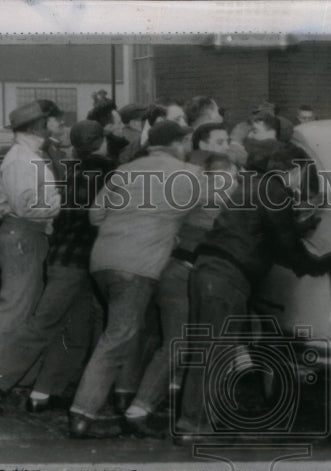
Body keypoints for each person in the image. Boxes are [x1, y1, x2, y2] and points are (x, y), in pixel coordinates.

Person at [174, 144, 331, 440]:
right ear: (293, 170)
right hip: (225, 275)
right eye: (304, 174)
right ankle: (194, 426)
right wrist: (321, 262)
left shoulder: (254, 187)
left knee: (210, 348)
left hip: (210, 271)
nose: (303, 181)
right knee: (215, 350)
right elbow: (284, 244)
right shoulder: (274, 190)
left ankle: (199, 421)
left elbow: (265, 236)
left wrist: (300, 230)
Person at [68, 120, 207, 438]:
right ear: (178, 143)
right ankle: (81, 414)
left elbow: (95, 215)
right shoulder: (189, 175)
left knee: (125, 331)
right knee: (119, 336)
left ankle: (127, 399)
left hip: (103, 261)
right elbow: (209, 215)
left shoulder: (125, 170)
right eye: (184, 143)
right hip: (139, 266)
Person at [124, 152, 239, 437]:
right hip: (184, 275)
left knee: (177, 342)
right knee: (179, 343)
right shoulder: (218, 201)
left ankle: (142, 403)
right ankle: (140, 408)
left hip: (169, 271)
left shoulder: (190, 195)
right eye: (234, 176)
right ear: (225, 175)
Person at [0, 100, 65, 413]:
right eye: (54, 121)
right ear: (40, 126)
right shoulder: (23, 159)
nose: (59, 125)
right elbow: (24, 206)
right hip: (23, 233)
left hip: (24, 234)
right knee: (14, 308)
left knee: (18, 308)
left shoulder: (29, 155)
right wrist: (63, 204)